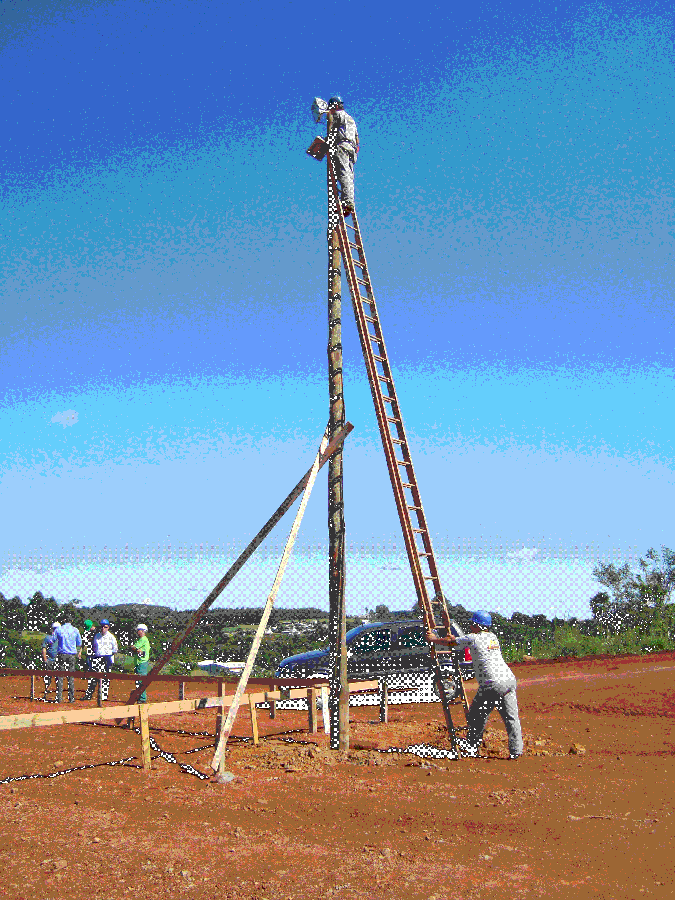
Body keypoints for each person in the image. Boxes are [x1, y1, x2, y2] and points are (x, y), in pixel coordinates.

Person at [426, 610, 523, 760]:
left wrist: (434, 639)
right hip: (508, 680)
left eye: (472, 623)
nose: (470, 626)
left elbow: (451, 641)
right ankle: (516, 750)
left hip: (491, 684)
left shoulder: (473, 638)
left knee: (476, 716)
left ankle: (471, 746)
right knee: (511, 718)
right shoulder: (493, 637)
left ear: (477, 625)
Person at [326, 96, 359, 218]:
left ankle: (347, 203)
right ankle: (349, 200)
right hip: (352, 149)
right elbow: (357, 139)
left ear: (335, 106)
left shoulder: (337, 115)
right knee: (349, 176)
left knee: (343, 174)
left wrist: (327, 142)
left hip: (342, 146)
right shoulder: (351, 119)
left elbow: (332, 131)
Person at [53, 621, 82, 703]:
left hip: (61, 654)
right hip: (71, 655)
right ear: (72, 621)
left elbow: (53, 640)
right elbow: (79, 643)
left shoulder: (59, 629)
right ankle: (71, 698)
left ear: (64, 620)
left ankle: (59, 697)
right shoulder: (75, 630)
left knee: (59, 677)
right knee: (70, 677)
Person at [90, 619, 118, 702]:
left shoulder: (111, 637)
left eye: (105, 627)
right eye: (102, 627)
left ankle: (104, 697)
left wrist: (108, 654)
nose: (103, 628)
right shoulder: (97, 636)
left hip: (107, 658)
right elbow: (94, 647)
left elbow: (115, 649)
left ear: (108, 627)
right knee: (94, 677)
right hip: (97, 658)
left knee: (106, 679)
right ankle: (90, 695)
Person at [40, 622, 60, 702]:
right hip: (49, 660)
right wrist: (45, 659)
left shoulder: (61, 638)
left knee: (58, 679)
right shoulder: (47, 637)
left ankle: (58, 696)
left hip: (58, 660)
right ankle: (46, 693)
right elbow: (44, 648)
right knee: (48, 678)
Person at [81, 619, 99, 701]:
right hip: (89, 654)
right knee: (90, 673)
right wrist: (80, 651)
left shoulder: (97, 632)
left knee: (96, 674)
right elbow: (83, 643)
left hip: (97, 655)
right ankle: (90, 691)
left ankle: (94, 691)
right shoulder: (86, 632)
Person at [132, 624, 151, 703]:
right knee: (138, 681)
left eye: (138, 630)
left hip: (141, 663)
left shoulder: (143, 639)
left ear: (143, 631)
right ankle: (139, 696)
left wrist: (134, 648)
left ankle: (142, 699)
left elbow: (134, 647)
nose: (137, 632)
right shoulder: (142, 639)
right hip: (139, 663)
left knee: (141, 681)